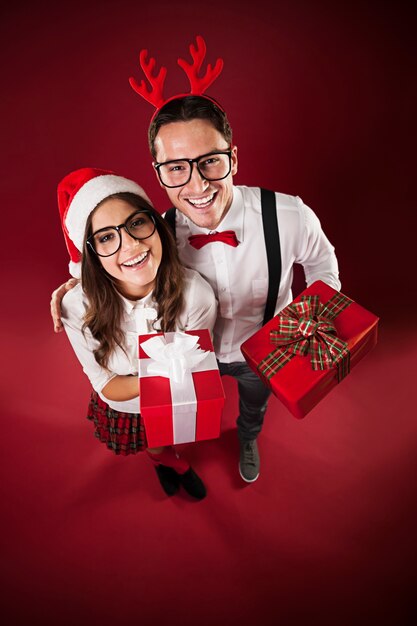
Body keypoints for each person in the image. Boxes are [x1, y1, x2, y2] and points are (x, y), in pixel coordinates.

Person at [51, 38, 341, 484]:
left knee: (252, 405)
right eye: (176, 168)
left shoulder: (287, 214)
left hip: (258, 352)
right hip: (186, 359)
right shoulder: (152, 231)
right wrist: (76, 282)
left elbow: (323, 264)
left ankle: (247, 436)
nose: (196, 183)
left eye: (210, 161)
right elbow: (117, 260)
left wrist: (313, 316)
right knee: (186, 420)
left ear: (234, 157)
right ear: (158, 172)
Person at [57, 166, 217, 499]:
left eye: (136, 223)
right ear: (91, 253)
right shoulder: (74, 307)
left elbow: (196, 366)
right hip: (125, 405)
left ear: (156, 225)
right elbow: (105, 383)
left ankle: (167, 458)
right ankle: (168, 464)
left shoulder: (196, 296)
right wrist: (161, 374)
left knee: (169, 435)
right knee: (151, 442)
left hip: (176, 400)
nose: (130, 244)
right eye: (105, 237)